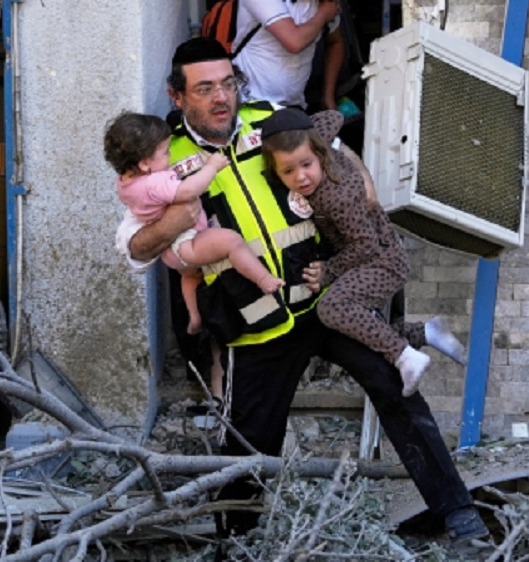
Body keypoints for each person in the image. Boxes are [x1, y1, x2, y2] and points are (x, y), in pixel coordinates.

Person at [115, 37, 489, 547]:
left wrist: (359, 181)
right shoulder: (163, 157)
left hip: (326, 298)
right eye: (205, 89)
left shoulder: (269, 118)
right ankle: (238, 542)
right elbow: (135, 248)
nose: (222, 97)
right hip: (255, 325)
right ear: (177, 96)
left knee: (396, 388)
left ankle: (459, 515)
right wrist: (176, 221)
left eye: (228, 83)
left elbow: (333, 150)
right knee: (248, 444)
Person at [260, 107, 467, 397]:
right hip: (370, 256)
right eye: (288, 171)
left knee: (333, 308)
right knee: (364, 326)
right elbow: (332, 116)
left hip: (382, 261)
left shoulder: (337, 195)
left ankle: (405, 356)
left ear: (319, 154)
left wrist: (329, 271)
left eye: (306, 164)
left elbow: (364, 244)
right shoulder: (312, 135)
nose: (301, 177)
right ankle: (428, 333)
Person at [104, 110, 285, 336]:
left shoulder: (125, 183)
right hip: (185, 242)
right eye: (165, 152)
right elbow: (188, 190)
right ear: (144, 164)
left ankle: (194, 316)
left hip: (172, 253)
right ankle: (264, 278)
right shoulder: (155, 182)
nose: (170, 156)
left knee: (191, 276)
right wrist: (212, 166)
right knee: (231, 241)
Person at [233, 0, 342, 111]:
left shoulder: (323, 4)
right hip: (249, 102)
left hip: (292, 105)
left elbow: (335, 43)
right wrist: (323, 15)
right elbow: (294, 42)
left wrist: (328, 96)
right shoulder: (325, 10)